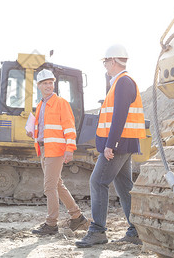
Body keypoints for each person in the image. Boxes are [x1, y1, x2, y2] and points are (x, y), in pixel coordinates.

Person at [75, 44, 146, 247]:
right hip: (124, 143)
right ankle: (136, 230)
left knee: (98, 182)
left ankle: (97, 230)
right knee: (124, 187)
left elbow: (119, 117)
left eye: (105, 61)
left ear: (113, 61)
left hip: (119, 144)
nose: (105, 65)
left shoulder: (123, 83)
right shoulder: (119, 82)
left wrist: (111, 144)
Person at [27, 69, 87, 235]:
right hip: (44, 148)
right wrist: (32, 132)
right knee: (58, 185)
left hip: (56, 150)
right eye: (45, 83)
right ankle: (77, 217)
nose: (48, 86)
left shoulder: (61, 103)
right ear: (38, 86)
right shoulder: (40, 105)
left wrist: (70, 149)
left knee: (49, 187)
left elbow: (69, 128)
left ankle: (51, 223)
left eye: (50, 83)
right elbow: (43, 128)